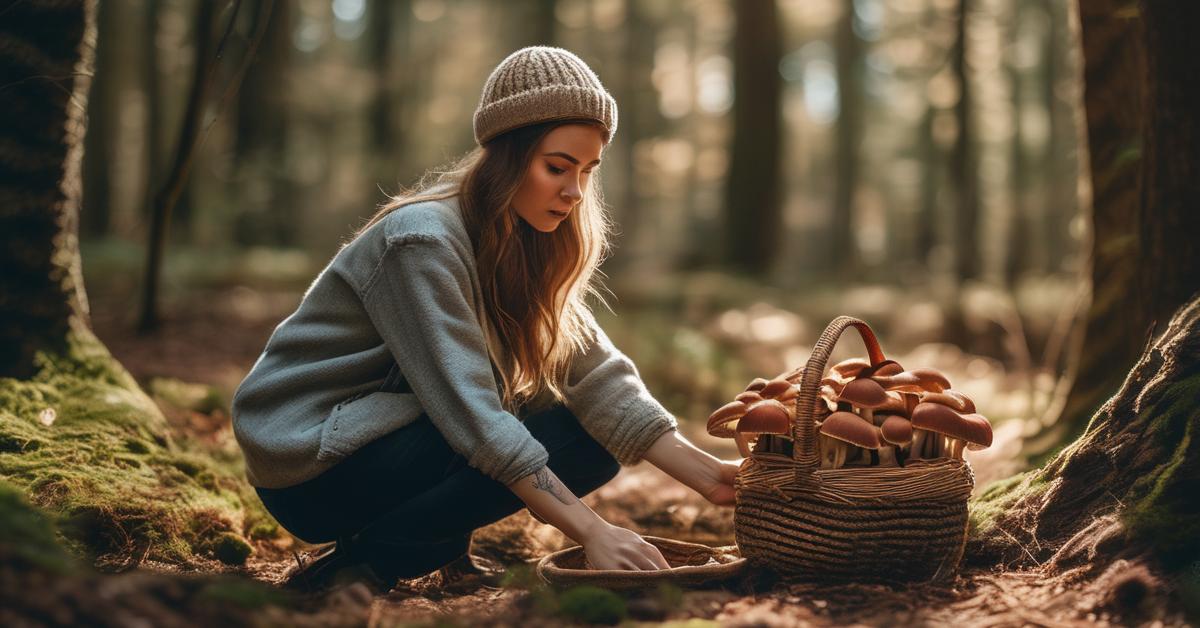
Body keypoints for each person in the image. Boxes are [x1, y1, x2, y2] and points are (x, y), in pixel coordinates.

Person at [231, 46, 740, 592]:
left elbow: (598, 378)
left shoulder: (529, 238)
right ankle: (364, 566)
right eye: (556, 167)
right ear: (506, 156)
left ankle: (429, 549)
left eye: (587, 171)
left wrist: (712, 478)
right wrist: (593, 531)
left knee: (590, 443)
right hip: (313, 463)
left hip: (394, 438)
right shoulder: (422, 239)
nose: (573, 192)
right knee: (526, 425)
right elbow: (471, 413)